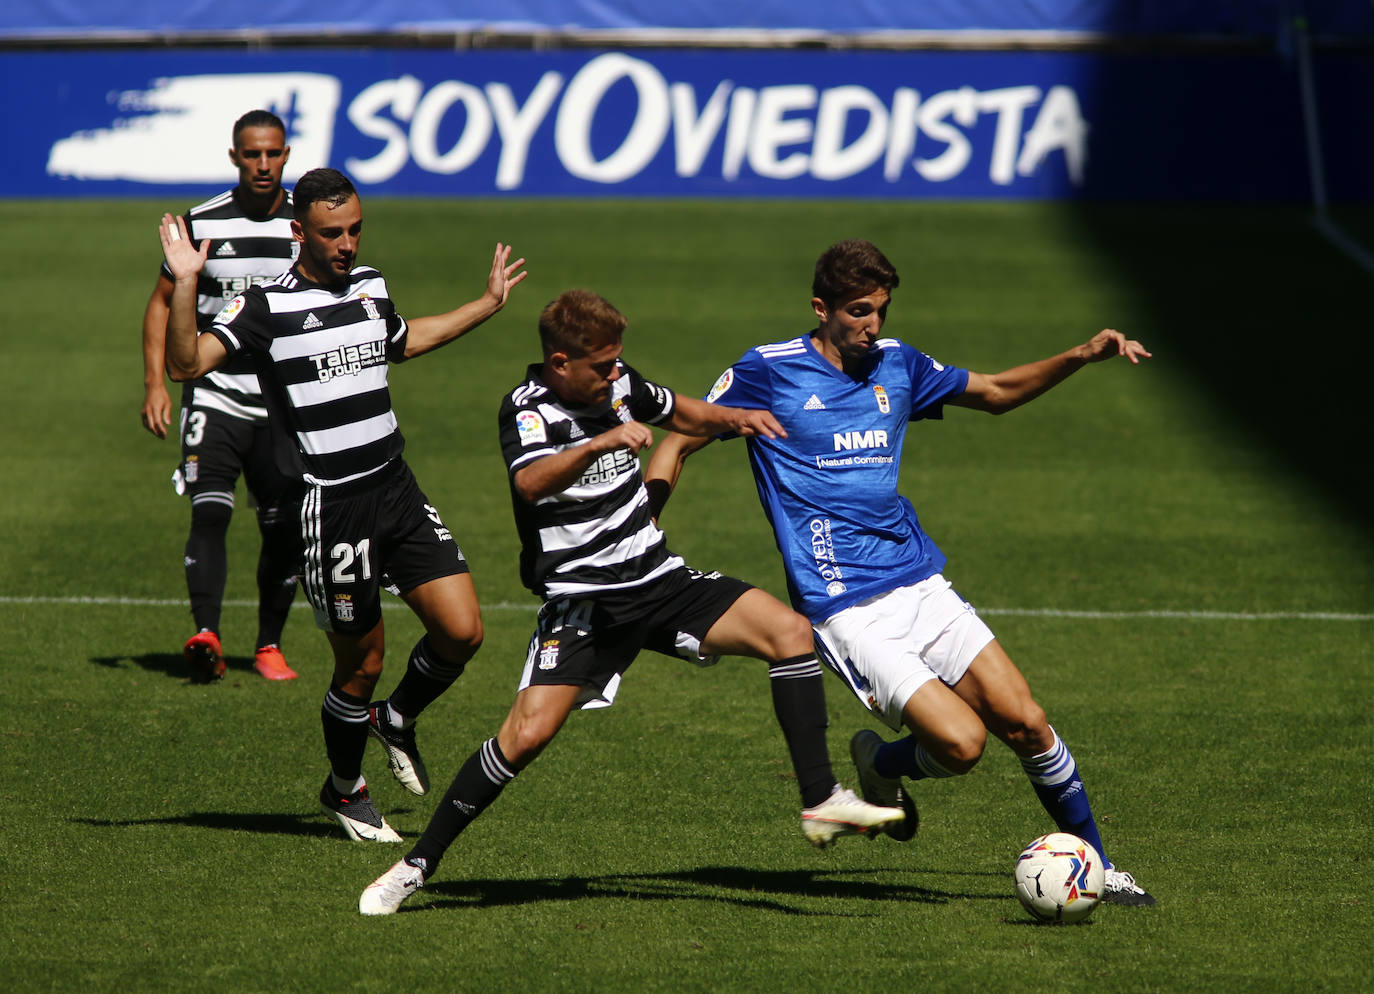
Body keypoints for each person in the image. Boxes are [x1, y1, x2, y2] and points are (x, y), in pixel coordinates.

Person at [644, 239, 1157, 907]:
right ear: (820, 308)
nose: (872, 326)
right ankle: (883, 762)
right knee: (963, 745)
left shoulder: (899, 366)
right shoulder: (767, 372)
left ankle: (1102, 866)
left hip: (918, 581)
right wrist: (646, 519)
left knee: (1029, 723)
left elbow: (998, 392)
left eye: (881, 310)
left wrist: (1081, 356)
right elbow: (678, 439)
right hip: (846, 608)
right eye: (859, 312)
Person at [357, 289, 903, 915]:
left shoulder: (618, 385)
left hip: (659, 581)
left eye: (619, 362)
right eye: (602, 365)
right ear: (561, 363)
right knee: (524, 736)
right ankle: (417, 864)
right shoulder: (527, 409)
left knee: (789, 633)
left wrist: (736, 419)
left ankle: (820, 797)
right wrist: (600, 444)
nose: (616, 374)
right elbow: (530, 482)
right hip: (588, 606)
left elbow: (680, 409)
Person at [157, 167, 528, 843]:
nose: (348, 244)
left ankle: (397, 719)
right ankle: (345, 788)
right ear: (300, 232)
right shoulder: (265, 307)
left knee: (463, 631)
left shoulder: (370, 285)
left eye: (355, 229)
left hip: (398, 487)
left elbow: (404, 339)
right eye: (333, 233)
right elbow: (186, 364)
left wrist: (486, 303)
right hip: (333, 507)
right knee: (362, 663)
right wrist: (186, 283)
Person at [140, 109, 306, 682]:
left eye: (273, 153)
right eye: (252, 154)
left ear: (287, 155)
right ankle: (206, 633)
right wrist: (156, 383)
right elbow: (162, 300)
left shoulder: (305, 227)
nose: (263, 164)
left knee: (283, 529)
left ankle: (268, 646)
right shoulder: (204, 222)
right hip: (215, 395)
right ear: (234, 156)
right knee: (209, 513)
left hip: (283, 409)